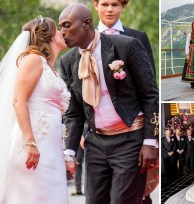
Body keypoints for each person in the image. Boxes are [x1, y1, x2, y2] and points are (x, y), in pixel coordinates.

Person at [58, 3, 159, 204]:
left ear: (86, 23)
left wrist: (150, 141)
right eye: (61, 27)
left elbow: (150, 95)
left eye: (67, 26)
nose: (62, 33)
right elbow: (73, 113)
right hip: (95, 143)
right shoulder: (68, 61)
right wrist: (69, 152)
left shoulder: (127, 45)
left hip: (130, 140)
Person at [0, 16, 69, 203]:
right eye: (59, 28)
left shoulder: (50, 67)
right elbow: (18, 101)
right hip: (33, 146)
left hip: (52, 149)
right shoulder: (33, 60)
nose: (64, 31)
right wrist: (30, 143)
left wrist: (65, 154)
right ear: (50, 36)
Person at [93, 0, 155, 76]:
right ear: (96, 6)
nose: (110, 9)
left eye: (115, 5)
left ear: (123, 6)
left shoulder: (139, 37)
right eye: (105, 5)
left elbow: (150, 77)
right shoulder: (86, 39)